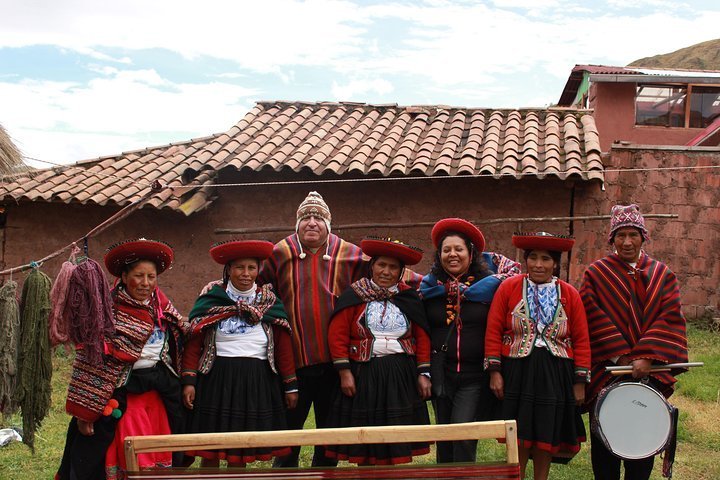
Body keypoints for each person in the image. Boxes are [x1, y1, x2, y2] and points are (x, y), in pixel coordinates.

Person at [57, 238, 189, 480]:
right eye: (139, 276)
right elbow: (91, 361)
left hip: (159, 397)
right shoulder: (106, 313)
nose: (146, 283)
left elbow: (181, 343)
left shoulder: (163, 309)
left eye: (152, 277)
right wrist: (85, 412)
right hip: (121, 396)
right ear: (124, 277)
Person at [581, 204, 688, 480]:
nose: (627, 242)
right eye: (620, 235)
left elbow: (669, 316)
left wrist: (647, 357)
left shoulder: (663, 275)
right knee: (605, 448)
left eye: (633, 234)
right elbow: (591, 314)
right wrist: (622, 358)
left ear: (643, 236)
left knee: (641, 447)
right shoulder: (596, 274)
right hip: (608, 373)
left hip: (648, 376)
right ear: (612, 239)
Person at [260, 192, 366, 467]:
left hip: (336, 361)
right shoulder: (280, 252)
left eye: (318, 217)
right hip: (294, 359)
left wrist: (425, 282)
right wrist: (217, 285)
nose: (311, 222)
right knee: (288, 432)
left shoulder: (350, 253)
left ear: (328, 225)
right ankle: (284, 472)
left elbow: (385, 272)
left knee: (329, 434)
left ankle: (324, 473)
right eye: (305, 217)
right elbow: (247, 277)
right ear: (297, 224)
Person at [181, 240, 297, 467]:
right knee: (211, 448)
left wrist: (290, 385)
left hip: (257, 379)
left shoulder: (269, 302)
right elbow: (194, 344)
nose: (246, 274)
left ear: (258, 270)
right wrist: (189, 381)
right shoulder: (211, 300)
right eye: (239, 268)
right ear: (228, 269)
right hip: (217, 378)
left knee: (240, 448)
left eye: (251, 268)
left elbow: (283, 346)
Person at [485, 232, 590, 480]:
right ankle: (516, 476)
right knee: (520, 431)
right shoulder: (509, 288)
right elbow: (493, 329)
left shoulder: (569, 293)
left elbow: (582, 339)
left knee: (546, 431)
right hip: (518, 369)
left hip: (556, 372)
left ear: (555, 263)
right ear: (525, 260)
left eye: (545, 259)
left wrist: (579, 381)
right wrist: (494, 371)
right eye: (533, 257)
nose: (538, 264)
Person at [420, 218, 520, 463]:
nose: (452, 255)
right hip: (441, 372)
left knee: (463, 434)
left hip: (474, 375)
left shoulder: (491, 287)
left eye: (458, 249)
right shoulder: (429, 288)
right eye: (446, 250)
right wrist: (423, 371)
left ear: (471, 253)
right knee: (444, 436)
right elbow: (421, 330)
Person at [325, 237, 431, 465]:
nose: (386, 271)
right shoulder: (354, 295)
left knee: (396, 435)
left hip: (400, 373)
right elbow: (338, 334)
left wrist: (423, 373)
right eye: (381, 265)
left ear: (401, 271)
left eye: (393, 267)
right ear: (372, 266)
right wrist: (344, 372)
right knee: (367, 438)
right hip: (364, 372)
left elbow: (422, 337)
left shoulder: (408, 297)